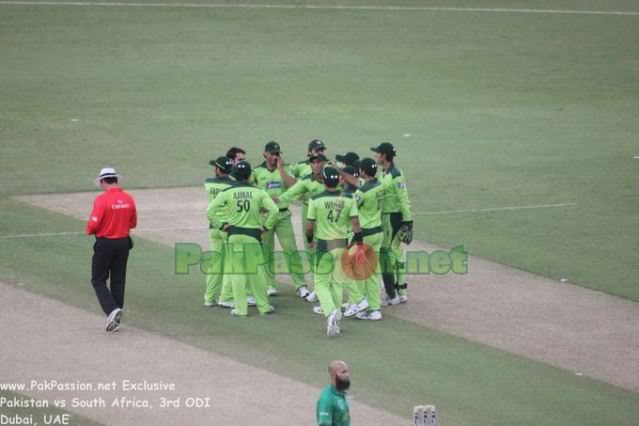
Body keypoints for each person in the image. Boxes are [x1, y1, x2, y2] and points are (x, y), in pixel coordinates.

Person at [208, 161, 277, 317]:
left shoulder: (227, 192)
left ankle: (240, 309)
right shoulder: (258, 192)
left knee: (236, 273)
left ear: (235, 175)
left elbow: (210, 210)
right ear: (249, 175)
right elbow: (274, 210)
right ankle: (263, 307)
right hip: (253, 235)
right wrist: (266, 227)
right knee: (257, 272)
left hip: (234, 235)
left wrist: (221, 225)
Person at [306, 167, 365, 336]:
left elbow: (309, 226)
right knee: (337, 282)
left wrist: (310, 240)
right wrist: (359, 245)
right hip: (341, 245)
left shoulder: (315, 199)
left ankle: (331, 311)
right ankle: (336, 320)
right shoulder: (349, 199)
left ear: (324, 181)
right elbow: (355, 224)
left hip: (325, 246)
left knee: (321, 283)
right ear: (339, 180)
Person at [251, 141, 309, 298]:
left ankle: (300, 285)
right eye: (272, 153)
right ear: (265, 154)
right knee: (266, 251)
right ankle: (270, 284)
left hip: (283, 215)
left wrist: (281, 169)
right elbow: (250, 190)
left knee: (291, 250)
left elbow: (296, 187)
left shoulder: (286, 169)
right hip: (264, 216)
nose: (274, 156)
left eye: (277, 154)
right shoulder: (257, 171)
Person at [86, 167, 137, 332]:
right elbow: (133, 223)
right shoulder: (128, 198)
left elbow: (93, 224)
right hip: (123, 243)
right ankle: (116, 314)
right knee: (118, 279)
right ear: (116, 180)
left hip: (105, 244)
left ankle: (112, 309)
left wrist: (89, 230)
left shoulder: (102, 199)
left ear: (102, 181)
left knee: (98, 279)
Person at [278, 153, 328, 303]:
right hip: (311, 215)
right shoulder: (306, 181)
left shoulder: (332, 177)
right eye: (313, 162)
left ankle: (328, 288)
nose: (316, 165)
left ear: (324, 163)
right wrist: (270, 203)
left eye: (319, 162)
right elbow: (287, 195)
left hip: (329, 218)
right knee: (312, 252)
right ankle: (319, 288)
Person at [371, 143, 413, 305]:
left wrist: (408, 221)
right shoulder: (386, 173)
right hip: (387, 217)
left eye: (377, 154)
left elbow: (403, 198)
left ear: (384, 155)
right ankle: (400, 291)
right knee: (396, 252)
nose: (376, 156)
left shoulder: (395, 175)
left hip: (392, 218)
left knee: (388, 253)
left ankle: (395, 292)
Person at [345, 158, 384, 320]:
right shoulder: (380, 185)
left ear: (363, 171)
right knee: (373, 272)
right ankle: (375, 309)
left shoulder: (362, 192)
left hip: (365, 234)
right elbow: (359, 182)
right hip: (378, 232)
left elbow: (351, 210)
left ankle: (358, 303)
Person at [204, 157, 235, 308]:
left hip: (214, 226)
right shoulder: (232, 185)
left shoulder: (208, 183)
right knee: (230, 264)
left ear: (218, 169)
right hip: (228, 228)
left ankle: (209, 298)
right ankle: (226, 297)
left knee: (215, 264)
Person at [290, 140, 327, 252]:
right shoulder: (301, 165)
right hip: (307, 206)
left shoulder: (329, 164)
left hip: (325, 207)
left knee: (325, 236)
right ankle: (313, 266)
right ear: (309, 152)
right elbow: (289, 173)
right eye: (317, 150)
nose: (320, 152)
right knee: (308, 238)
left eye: (322, 150)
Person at [316, 360, 351, 426]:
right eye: (343, 372)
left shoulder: (340, 393)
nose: (347, 375)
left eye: (347, 371)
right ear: (333, 375)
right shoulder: (327, 398)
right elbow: (324, 424)